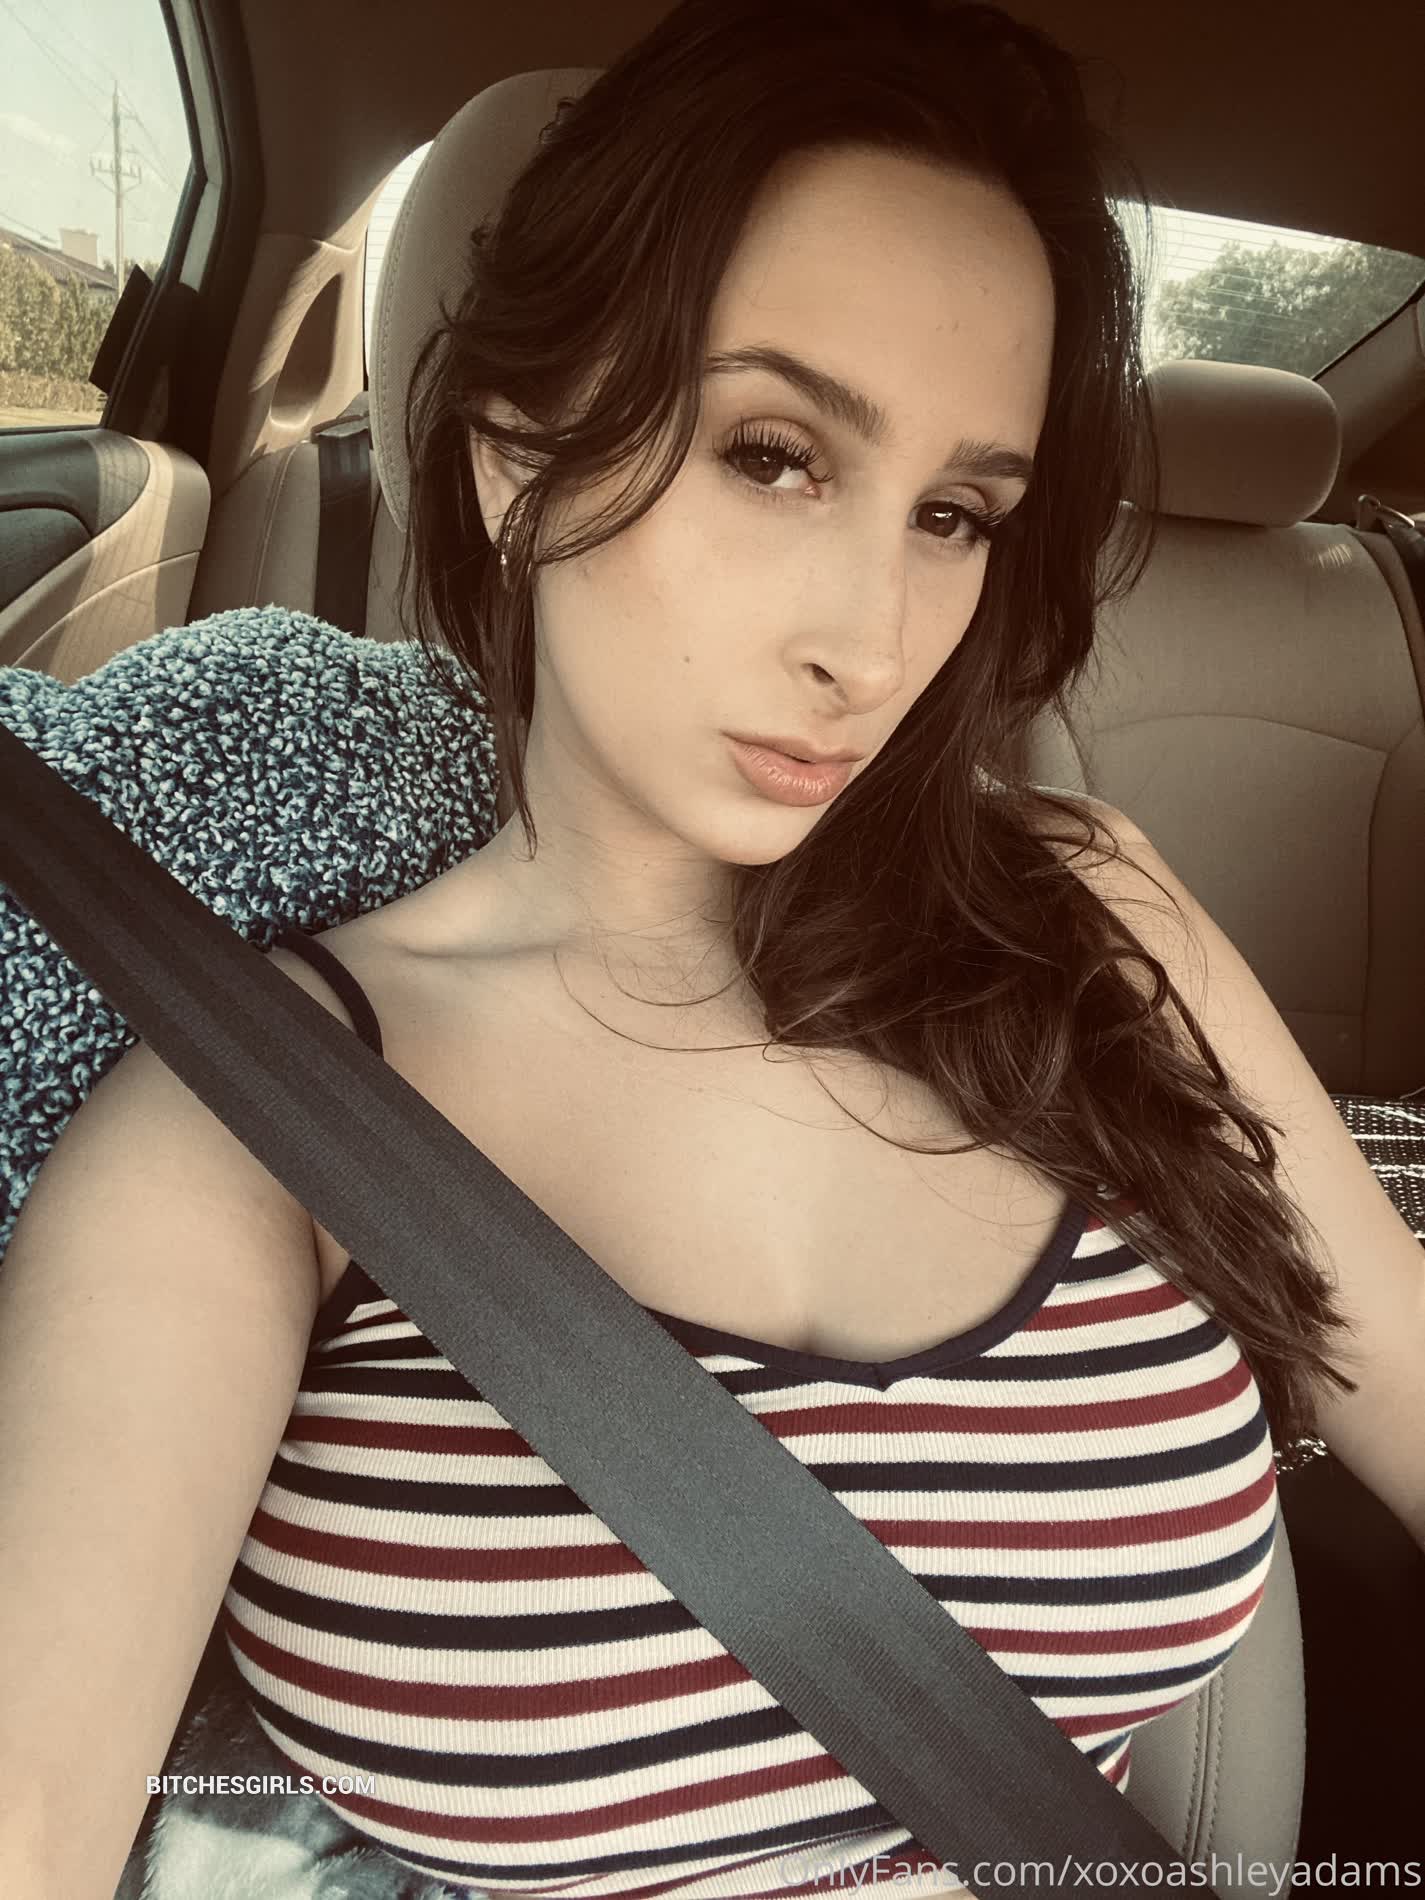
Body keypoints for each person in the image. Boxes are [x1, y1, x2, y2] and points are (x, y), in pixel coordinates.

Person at [9, 0, 1413, 1894]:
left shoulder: (1086, 915)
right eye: (771, 455)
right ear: (516, 457)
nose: (873, 639)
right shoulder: (258, 1113)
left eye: (954, 513)